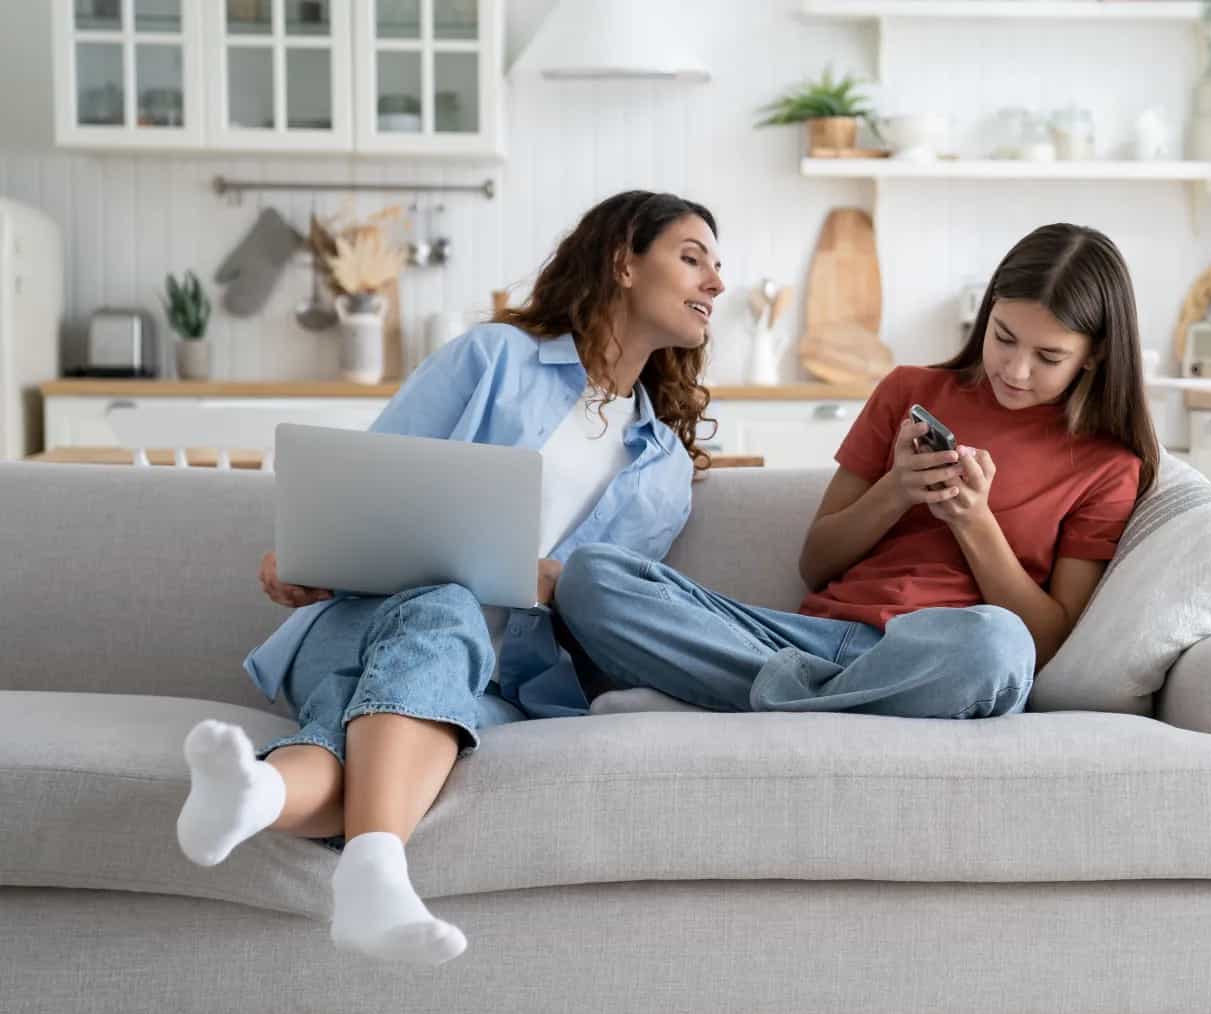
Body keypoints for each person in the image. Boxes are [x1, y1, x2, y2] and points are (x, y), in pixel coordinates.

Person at [172, 190, 724, 966]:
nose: (715, 284)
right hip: (372, 627)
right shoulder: (493, 358)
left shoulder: (663, 466)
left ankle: (257, 796)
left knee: (365, 739)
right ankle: (375, 880)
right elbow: (370, 490)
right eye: (692, 257)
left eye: (716, 266)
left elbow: (613, 615)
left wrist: (555, 582)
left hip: (502, 690)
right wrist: (305, 560)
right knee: (446, 606)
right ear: (623, 263)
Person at [557, 222, 1158, 720]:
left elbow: (1045, 642)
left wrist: (974, 523)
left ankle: (737, 696)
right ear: (988, 314)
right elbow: (816, 563)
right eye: (1003, 338)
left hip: (937, 654)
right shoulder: (909, 390)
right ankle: (817, 699)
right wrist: (896, 490)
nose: (1016, 369)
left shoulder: (1107, 466)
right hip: (802, 641)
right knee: (591, 576)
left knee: (998, 646)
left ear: (1095, 355)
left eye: (1048, 357)